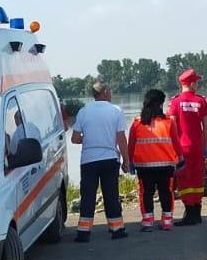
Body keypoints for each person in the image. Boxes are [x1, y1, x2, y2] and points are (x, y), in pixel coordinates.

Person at [70, 81, 129, 241]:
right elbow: (121, 139)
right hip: (109, 158)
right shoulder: (116, 110)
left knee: (88, 196)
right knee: (111, 195)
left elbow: (74, 138)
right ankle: (117, 230)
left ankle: (83, 233)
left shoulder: (83, 112)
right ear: (105, 92)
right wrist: (126, 160)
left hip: (88, 160)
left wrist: (90, 139)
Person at [128, 89, 184, 231]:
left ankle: (147, 222)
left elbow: (131, 144)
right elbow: (176, 142)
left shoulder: (137, 122)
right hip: (166, 165)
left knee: (146, 193)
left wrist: (129, 161)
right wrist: (181, 158)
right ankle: (167, 221)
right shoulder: (168, 121)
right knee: (166, 192)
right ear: (160, 104)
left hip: (144, 166)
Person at [168, 68, 207, 226]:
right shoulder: (201, 101)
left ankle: (189, 213)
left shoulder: (175, 102)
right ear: (191, 83)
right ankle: (197, 213)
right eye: (196, 82)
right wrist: (204, 146)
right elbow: (206, 127)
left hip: (182, 147)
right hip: (197, 147)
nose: (197, 85)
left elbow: (172, 127)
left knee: (184, 180)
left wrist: (173, 148)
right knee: (197, 178)